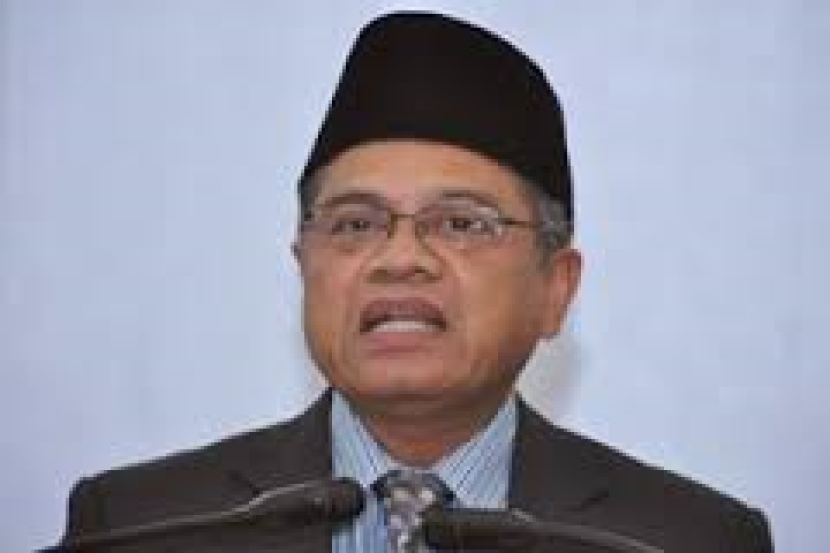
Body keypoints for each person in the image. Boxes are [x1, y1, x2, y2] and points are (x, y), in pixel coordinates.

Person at [59, 11, 774, 552]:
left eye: (461, 223)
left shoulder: (687, 539)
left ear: (556, 287)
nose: (400, 258)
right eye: (355, 223)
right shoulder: (140, 526)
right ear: (304, 266)